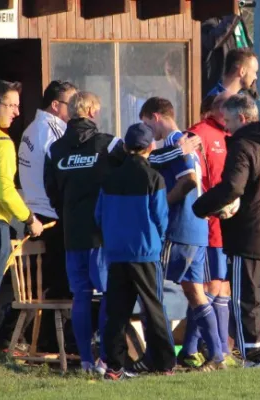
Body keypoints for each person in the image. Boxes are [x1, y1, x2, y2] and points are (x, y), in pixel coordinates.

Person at [193, 94, 260, 368]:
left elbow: (233, 187)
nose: (226, 126)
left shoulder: (243, 144)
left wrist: (200, 207)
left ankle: (253, 355)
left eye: (229, 120)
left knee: (244, 297)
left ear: (244, 118)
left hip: (250, 234)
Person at [0, 80, 44, 396]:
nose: (17, 111)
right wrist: (30, 219)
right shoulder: (0, 141)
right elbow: (5, 192)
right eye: (12, 104)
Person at [142, 98, 225, 372]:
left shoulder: (178, 142)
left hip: (179, 229)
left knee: (151, 291)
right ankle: (217, 356)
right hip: (198, 228)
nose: (148, 134)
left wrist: (162, 204)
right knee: (195, 293)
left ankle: (160, 358)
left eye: (146, 124)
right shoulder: (182, 144)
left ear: (155, 116)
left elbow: (188, 180)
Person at [44, 92, 124, 374]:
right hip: (102, 234)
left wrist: (67, 212)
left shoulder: (55, 149)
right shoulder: (108, 144)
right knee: (104, 295)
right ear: (90, 111)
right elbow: (131, 171)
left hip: (71, 233)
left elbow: (51, 191)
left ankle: (86, 363)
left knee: (80, 295)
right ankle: (104, 359)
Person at [96, 123, 176, 380]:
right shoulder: (154, 178)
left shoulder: (109, 178)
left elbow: (98, 215)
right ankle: (165, 364)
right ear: (151, 147)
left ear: (126, 147)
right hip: (145, 252)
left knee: (116, 312)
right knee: (153, 308)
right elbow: (161, 218)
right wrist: (158, 240)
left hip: (116, 253)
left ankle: (115, 366)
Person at [180, 94, 236, 366]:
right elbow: (192, 180)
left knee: (223, 286)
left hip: (229, 224)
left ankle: (214, 348)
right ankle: (194, 349)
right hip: (208, 225)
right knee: (211, 285)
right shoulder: (198, 134)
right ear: (213, 108)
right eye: (227, 107)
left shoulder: (232, 135)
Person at [19, 80, 77, 300]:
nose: (73, 110)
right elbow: (65, 170)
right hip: (51, 214)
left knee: (38, 286)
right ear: (55, 104)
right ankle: (52, 335)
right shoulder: (54, 130)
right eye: (70, 104)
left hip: (35, 212)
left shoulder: (32, 129)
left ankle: (25, 332)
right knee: (58, 286)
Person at [201, 14, 252, 98]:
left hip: (239, 95)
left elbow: (247, 56)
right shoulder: (207, 22)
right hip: (217, 96)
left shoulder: (237, 22)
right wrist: (232, 17)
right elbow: (213, 41)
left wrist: (251, 90)